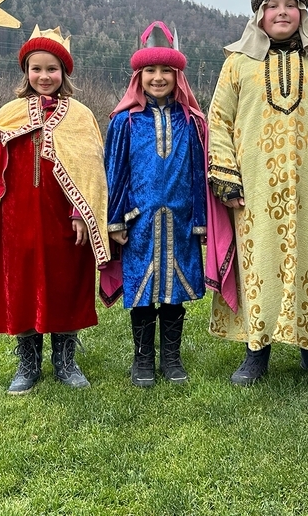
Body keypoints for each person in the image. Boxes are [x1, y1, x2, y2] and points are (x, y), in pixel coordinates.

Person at [206, 0, 308, 385]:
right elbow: (219, 121)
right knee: (259, 265)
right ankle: (257, 351)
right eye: (273, 5)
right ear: (260, 15)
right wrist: (226, 175)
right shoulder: (237, 65)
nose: (282, 12)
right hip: (254, 188)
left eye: (291, 4)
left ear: (303, 13)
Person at [0, 25, 109, 393]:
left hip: (64, 220)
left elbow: (91, 170)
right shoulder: (10, 112)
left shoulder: (80, 115)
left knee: (66, 284)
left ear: (64, 72)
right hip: (18, 218)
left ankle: (65, 361)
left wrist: (81, 214)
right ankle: (28, 364)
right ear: (26, 71)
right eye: (36, 68)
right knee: (21, 286)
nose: (44, 76)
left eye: (52, 69)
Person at [102, 22, 208, 387]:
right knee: (143, 291)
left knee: (175, 291)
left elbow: (198, 172)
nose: (158, 77)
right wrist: (115, 220)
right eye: (150, 71)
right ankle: (143, 360)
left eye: (166, 71)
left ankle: (172, 359)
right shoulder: (125, 122)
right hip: (139, 220)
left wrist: (200, 218)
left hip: (180, 218)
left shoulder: (191, 122)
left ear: (178, 76)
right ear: (139, 76)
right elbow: (114, 172)